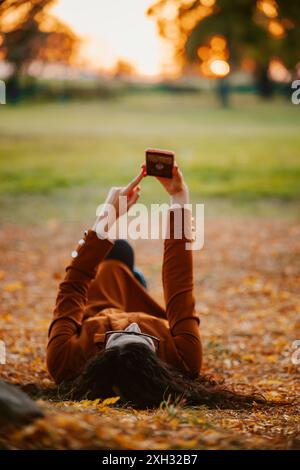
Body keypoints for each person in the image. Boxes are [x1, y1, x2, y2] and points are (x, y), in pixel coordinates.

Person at [47, 163, 267, 409]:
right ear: (157, 363)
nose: (132, 325)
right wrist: (179, 199)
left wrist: (107, 216)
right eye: (142, 337)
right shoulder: (185, 359)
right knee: (125, 261)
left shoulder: (64, 362)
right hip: (146, 306)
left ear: (100, 359)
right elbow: (179, 284)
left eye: (119, 336)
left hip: (100, 302)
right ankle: (137, 281)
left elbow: (73, 286)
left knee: (118, 251)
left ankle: (132, 276)